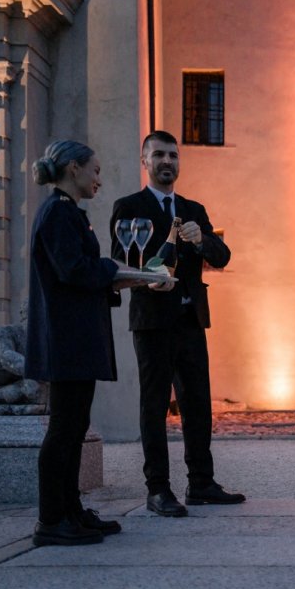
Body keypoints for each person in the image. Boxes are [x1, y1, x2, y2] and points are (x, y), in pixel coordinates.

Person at [110, 130, 244, 517]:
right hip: (151, 322)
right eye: (158, 155)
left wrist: (201, 239)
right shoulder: (128, 206)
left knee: (197, 403)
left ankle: (201, 483)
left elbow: (222, 256)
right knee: (154, 406)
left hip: (190, 320)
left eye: (173, 155)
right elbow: (122, 261)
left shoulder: (193, 209)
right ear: (145, 162)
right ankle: (158, 489)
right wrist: (148, 272)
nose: (167, 162)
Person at [25, 140, 138, 545]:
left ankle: (70, 509)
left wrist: (115, 278)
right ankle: (51, 520)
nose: (98, 179)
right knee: (63, 430)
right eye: (95, 170)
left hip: (75, 338)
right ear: (73, 169)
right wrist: (112, 270)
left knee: (73, 429)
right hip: (67, 340)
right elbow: (73, 270)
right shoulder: (58, 212)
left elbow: (79, 274)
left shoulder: (67, 212)